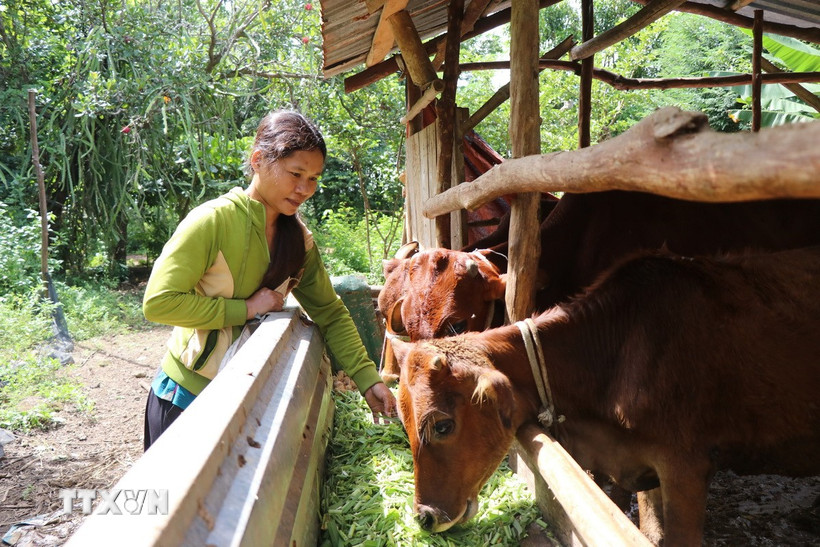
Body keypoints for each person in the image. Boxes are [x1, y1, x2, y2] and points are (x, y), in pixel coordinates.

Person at [142, 110, 397, 451]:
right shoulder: (212, 221)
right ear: (259, 160)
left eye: (314, 178)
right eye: (296, 173)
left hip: (246, 402)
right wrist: (245, 308)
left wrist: (368, 380)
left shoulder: (299, 242)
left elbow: (330, 313)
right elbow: (159, 303)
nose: (305, 189)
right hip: (186, 399)